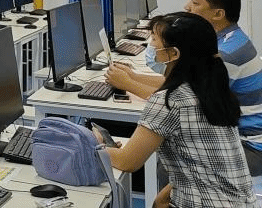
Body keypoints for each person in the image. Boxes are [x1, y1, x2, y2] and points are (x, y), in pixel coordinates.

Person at [107, 0, 262, 176]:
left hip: (248, 145)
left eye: (195, 3)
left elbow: (178, 97)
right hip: (233, 135)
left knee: (164, 162)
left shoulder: (225, 56)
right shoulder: (224, 41)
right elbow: (180, 84)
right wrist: (134, 77)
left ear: (218, 14)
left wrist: (129, 84)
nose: (187, 7)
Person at [99, 12, 254, 208]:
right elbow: (200, 160)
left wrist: (93, 146)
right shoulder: (211, 89)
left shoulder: (170, 101)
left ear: (173, 53)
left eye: (154, 39)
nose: (151, 45)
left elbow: (127, 162)